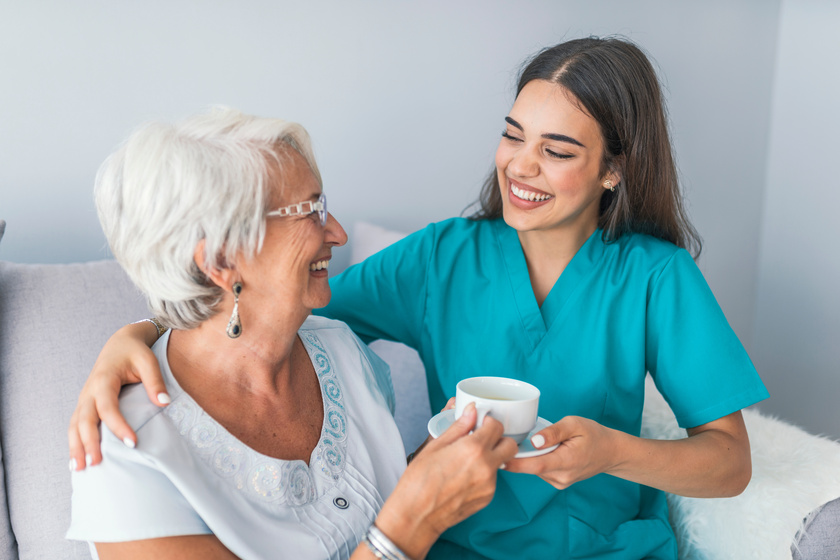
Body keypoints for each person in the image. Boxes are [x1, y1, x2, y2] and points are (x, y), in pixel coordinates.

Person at [68, 37, 769, 560]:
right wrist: (136, 334)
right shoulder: (444, 258)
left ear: (614, 169)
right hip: (450, 547)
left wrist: (611, 452)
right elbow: (271, 308)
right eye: (512, 135)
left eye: (557, 151)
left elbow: (729, 462)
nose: (521, 167)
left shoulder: (657, 278)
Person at [65, 108, 518, 560]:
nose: (336, 233)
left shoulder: (343, 350)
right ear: (221, 261)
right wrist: (414, 522)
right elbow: (399, 527)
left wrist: (438, 469)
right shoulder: (127, 453)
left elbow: (376, 513)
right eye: (312, 211)